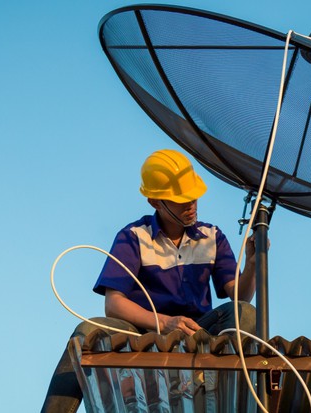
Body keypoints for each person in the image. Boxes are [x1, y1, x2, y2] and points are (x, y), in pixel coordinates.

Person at [42, 149, 258, 412]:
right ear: (155, 201)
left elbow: (240, 296)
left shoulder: (212, 236)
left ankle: (231, 394)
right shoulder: (133, 237)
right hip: (142, 332)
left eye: (193, 197)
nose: (191, 205)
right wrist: (164, 322)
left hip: (197, 332)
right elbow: (114, 305)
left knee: (245, 312)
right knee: (87, 333)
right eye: (181, 200)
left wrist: (253, 265)